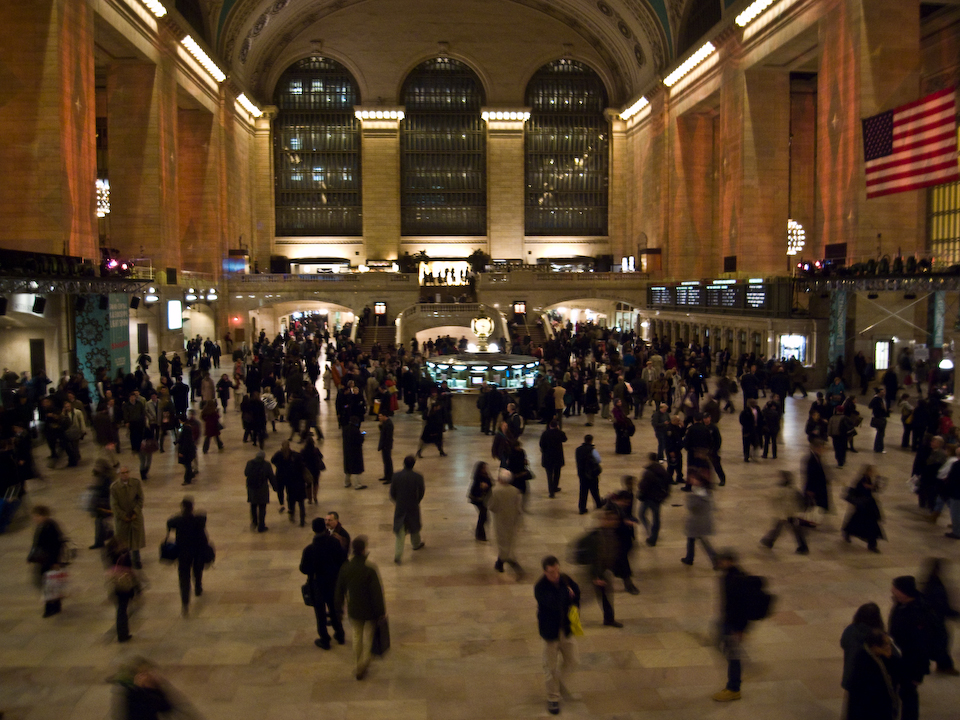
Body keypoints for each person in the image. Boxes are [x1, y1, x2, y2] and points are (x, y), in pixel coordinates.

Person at [334, 536, 386, 681]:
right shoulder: (369, 569)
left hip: (354, 609)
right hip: (369, 610)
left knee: (357, 636)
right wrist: (381, 612)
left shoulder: (346, 568)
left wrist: (338, 608)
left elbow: (339, 590)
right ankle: (365, 662)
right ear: (364, 550)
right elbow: (377, 594)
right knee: (369, 637)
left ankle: (358, 663)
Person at [534, 556, 581, 716]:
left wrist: (573, 602)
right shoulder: (540, 587)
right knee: (550, 667)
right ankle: (553, 698)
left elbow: (577, 593)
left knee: (573, 660)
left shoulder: (565, 579)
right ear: (545, 571)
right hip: (550, 633)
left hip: (566, 628)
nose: (556, 575)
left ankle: (557, 683)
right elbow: (554, 603)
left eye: (557, 570)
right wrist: (568, 594)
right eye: (551, 572)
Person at [889, 575, 931, 720]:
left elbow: (922, 646)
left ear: (903, 591)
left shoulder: (918, 613)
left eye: (895, 588)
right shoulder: (900, 604)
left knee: (908, 696)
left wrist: (918, 674)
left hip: (910, 665)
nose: (892, 590)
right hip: (897, 660)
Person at [300, 517, 346, 650]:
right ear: (324, 528)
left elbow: (304, 569)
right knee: (333, 610)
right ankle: (340, 634)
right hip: (332, 582)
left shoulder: (309, 549)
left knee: (320, 614)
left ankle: (324, 639)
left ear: (313, 530)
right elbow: (341, 559)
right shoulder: (333, 542)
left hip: (317, 584)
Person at [712, 549, 752, 702]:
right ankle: (733, 685)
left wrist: (740, 629)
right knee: (728, 651)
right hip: (727, 621)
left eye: (723, 561)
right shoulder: (728, 576)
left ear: (731, 561)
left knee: (734, 656)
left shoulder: (737, 579)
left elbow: (743, 607)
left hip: (733, 625)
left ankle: (734, 688)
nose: (720, 563)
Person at [165, 496, 210, 617]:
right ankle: (198, 587)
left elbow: (169, 522)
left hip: (183, 553)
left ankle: (185, 602)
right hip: (197, 551)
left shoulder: (179, 520)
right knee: (197, 570)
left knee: (184, 577)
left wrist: (180, 514)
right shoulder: (198, 520)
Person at [845, 629, 900, 720]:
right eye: (886, 644)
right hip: (871, 713)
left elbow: (898, 668)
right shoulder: (863, 663)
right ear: (875, 647)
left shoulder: (881, 656)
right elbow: (868, 696)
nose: (889, 646)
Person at [919, 557, 960, 675]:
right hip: (935, 621)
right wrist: (955, 614)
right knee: (940, 644)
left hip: (933, 620)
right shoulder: (936, 587)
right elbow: (942, 607)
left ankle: (942, 665)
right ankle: (944, 666)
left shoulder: (930, 582)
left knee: (937, 644)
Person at [27, 505, 66, 617]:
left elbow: (56, 545)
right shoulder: (42, 526)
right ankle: (54, 605)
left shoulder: (50, 527)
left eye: (36, 516)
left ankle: (51, 607)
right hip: (43, 560)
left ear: (43, 515)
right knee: (48, 583)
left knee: (48, 583)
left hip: (49, 561)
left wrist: (55, 562)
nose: (34, 518)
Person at [840, 602, 887, 691]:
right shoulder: (877, 636)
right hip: (868, 682)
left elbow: (843, 644)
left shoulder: (850, 630)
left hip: (850, 677)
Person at [486, 468, 523, 576]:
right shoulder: (515, 491)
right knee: (509, 541)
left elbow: (491, 506)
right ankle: (501, 562)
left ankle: (502, 562)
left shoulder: (495, 490)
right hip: (512, 520)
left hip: (500, 520)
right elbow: (518, 507)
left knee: (501, 541)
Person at [760, 471, 808, 554]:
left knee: (791, 529)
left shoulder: (784, 489)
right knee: (782, 528)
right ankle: (769, 541)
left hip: (787, 513)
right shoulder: (790, 488)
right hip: (787, 513)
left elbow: (779, 500)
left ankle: (803, 546)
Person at [390, 455, 425, 564]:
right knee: (414, 525)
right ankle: (416, 544)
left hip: (400, 506)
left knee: (400, 532)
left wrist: (398, 501)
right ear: (413, 464)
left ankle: (398, 555)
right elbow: (421, 492)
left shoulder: (396, 476)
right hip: (412, 506)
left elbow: (392, 492)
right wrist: (416, 501)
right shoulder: (418, 477)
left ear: (403, 463)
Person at [680, 463, 716, 567]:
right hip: (698, 521)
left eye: (692, 478)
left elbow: (693, 507)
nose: (691, 480)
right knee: (693, 540)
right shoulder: (703, 489)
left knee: (700, 541)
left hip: (697, 522)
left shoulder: (698, 491)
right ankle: (689, 558)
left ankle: (713, 558)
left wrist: (690, 500)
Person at [103, 536, 139, 642]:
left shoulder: (110, 555)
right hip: (124, 585)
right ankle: (123, 634)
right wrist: (136, 586)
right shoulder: (124, 554)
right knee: (122, 611)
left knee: (120, 609)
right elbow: (130, 570)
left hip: (115, 586)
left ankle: (122, 632)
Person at [842, 466, 884, 553]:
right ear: (867, 471)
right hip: (864, 506)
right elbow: (867, 488)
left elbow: (873, 488)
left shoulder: (867, 479)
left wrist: (876, 480)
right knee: (859, 521)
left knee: (865, 523)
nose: (872, 473)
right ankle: (848, 532)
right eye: (871, 471)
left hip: (868, 506)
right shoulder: (862, 480)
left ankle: (871, 543)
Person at [110, 467, 145, 569]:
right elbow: (114, 505)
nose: (124, 474)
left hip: (135, 517)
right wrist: (122, 515)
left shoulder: (135, 483)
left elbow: (140, 498)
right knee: (123, 541)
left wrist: (136, 512)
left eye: (126, 472)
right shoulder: (115, 487)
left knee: (135, 540)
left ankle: (137, 559)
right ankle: (126, 560)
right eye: (122, 473)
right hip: (122, 519)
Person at [637, 452, 670, 546]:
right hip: (658, 498)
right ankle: (654, 537)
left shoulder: (648, 472)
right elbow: (667, 484)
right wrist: (664, 496)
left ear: (650, 459)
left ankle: (649, 530)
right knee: (656, 518)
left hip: (648, 498)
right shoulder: (663, 471)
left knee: (641, 514)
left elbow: (642, 486)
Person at [272, 440, 307, 527]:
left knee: (280, 490)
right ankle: (293, 512)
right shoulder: (294, 455)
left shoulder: (279, 454)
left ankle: (282, 504)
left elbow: (272, 460)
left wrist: (278, 465)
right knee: (290, 495)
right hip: (290, 478)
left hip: (280, 476)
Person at [244, 450, 273, 532]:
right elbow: (271, 476)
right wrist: (276, 487)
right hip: (262, 489)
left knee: (253, 506)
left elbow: (246, 473)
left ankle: (254, 522)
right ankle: (261, 526)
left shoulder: (249, 463)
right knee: (262, 507)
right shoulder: (266, 465)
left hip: (252, 489)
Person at [803, 438, 831, 524]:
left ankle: (812, 520)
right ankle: (809, 520)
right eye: (822, 448)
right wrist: (810, 489)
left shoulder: (817, 457)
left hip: (818, 486)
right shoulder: (812, 460)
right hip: (814, 487)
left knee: (818, 505)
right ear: (816, 448)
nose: (823, 450)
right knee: (815, 505)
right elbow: (810, 475)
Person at [574, 435, 602, 515]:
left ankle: (582, 508)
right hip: (591, 473)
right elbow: (598, 460)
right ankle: (598, 503)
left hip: (582, 473)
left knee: (583, 491)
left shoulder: (578, 450)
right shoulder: (592, 450)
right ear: (591, 440)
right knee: (595, 490)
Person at [539, 419, 567, 498]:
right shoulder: (559, 433)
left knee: (549, 475)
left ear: (549, 425)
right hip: (557, 457)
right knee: (557, 473)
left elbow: (541, 444)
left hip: (548, 457)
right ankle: (555, 486)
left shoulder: (545, 433)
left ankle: (551, 492)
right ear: (557, 426)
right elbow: (565, 439)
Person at [468, 461, 493, 541]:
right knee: (483, 516)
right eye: (484, 468)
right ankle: (480, 535)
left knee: (483, 516)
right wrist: (481, 487)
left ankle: (480, 534)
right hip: (478, 499)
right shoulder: (478, 478)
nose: (486, 469)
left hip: (483, 499)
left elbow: (491, 485)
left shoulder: (485, 476)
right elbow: (475, 490)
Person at [342, 415, 367, 490]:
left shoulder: (345, 429)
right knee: (356, 468)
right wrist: (362, 436)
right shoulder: (355, 430)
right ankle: (357, 485)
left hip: (347, 451)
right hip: (355, 452)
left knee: (348, 468)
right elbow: (359, 441)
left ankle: (347, 482)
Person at [868, 387, 889, 453]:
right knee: (880, 434)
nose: (883, 393)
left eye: (884, 392)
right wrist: (879, 408)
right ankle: (879, 448)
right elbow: (870, 406)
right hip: (879, 417)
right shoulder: (876, 399)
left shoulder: (882, 399)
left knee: (880, 434)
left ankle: (877, 447)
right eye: (882, 392)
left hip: (882, 417)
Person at [376, 411, 394, 484]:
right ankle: (386, 475)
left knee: (388, 461)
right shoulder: (384, 423)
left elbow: (388, 436)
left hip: (387, 445)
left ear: (384, 416)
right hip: (384, 445)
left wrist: (386, 445)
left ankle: (390, 477)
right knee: (385, 461)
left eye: (380, 416)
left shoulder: (389, 424)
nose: (379, 418)